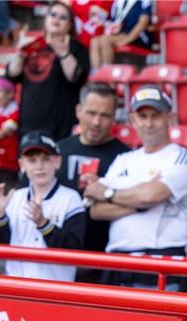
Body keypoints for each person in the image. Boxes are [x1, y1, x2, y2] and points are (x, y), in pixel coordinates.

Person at [85, 85, 187, 292]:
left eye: (155, 116)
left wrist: (109, 194)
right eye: (143, 116)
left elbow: (150, 195)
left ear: (169, 118)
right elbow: (97, 210)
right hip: (118, 261)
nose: (149, 123)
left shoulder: (182, 157)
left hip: (162, 258)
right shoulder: (123, 160)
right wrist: (139, 203)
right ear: (133, 120)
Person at [0, 130, 85, 282]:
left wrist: (43, 223)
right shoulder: (16, 197)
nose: (39, 166)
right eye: (32, 160)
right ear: (22, 165)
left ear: (57, 162)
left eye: (45, 159)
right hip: (15, 287)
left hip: (55, 291)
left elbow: (72, 249)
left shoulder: (71, 199)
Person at [56, 82, 130, 281]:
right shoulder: (58, 151)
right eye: (91, 113)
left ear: (114, 117)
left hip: (105, 265)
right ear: (78, 111)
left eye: (105, 115)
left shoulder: (127, 158)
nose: (97, 122)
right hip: (57, 261)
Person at [6, 1, 91, 140]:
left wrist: (63, 53)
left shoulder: (77, 48)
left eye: (63, 17)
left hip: (59, 126)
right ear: (46, 20)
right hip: (29, 124)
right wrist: (20, 53)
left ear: (70, 25)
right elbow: (11, 75)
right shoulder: (33, 45)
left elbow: (77, 79)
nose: (57, 19)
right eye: (53, 15)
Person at [89, 0, 154, 70]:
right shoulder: (118, 2)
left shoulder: (144, 2)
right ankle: (96, 72)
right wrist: (101, 19)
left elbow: (143, 23)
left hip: (138, 37)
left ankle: (107, 73)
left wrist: (126, 40)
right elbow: (113, 21)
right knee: (94, 41)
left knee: (105, 40)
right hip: (120, 34)